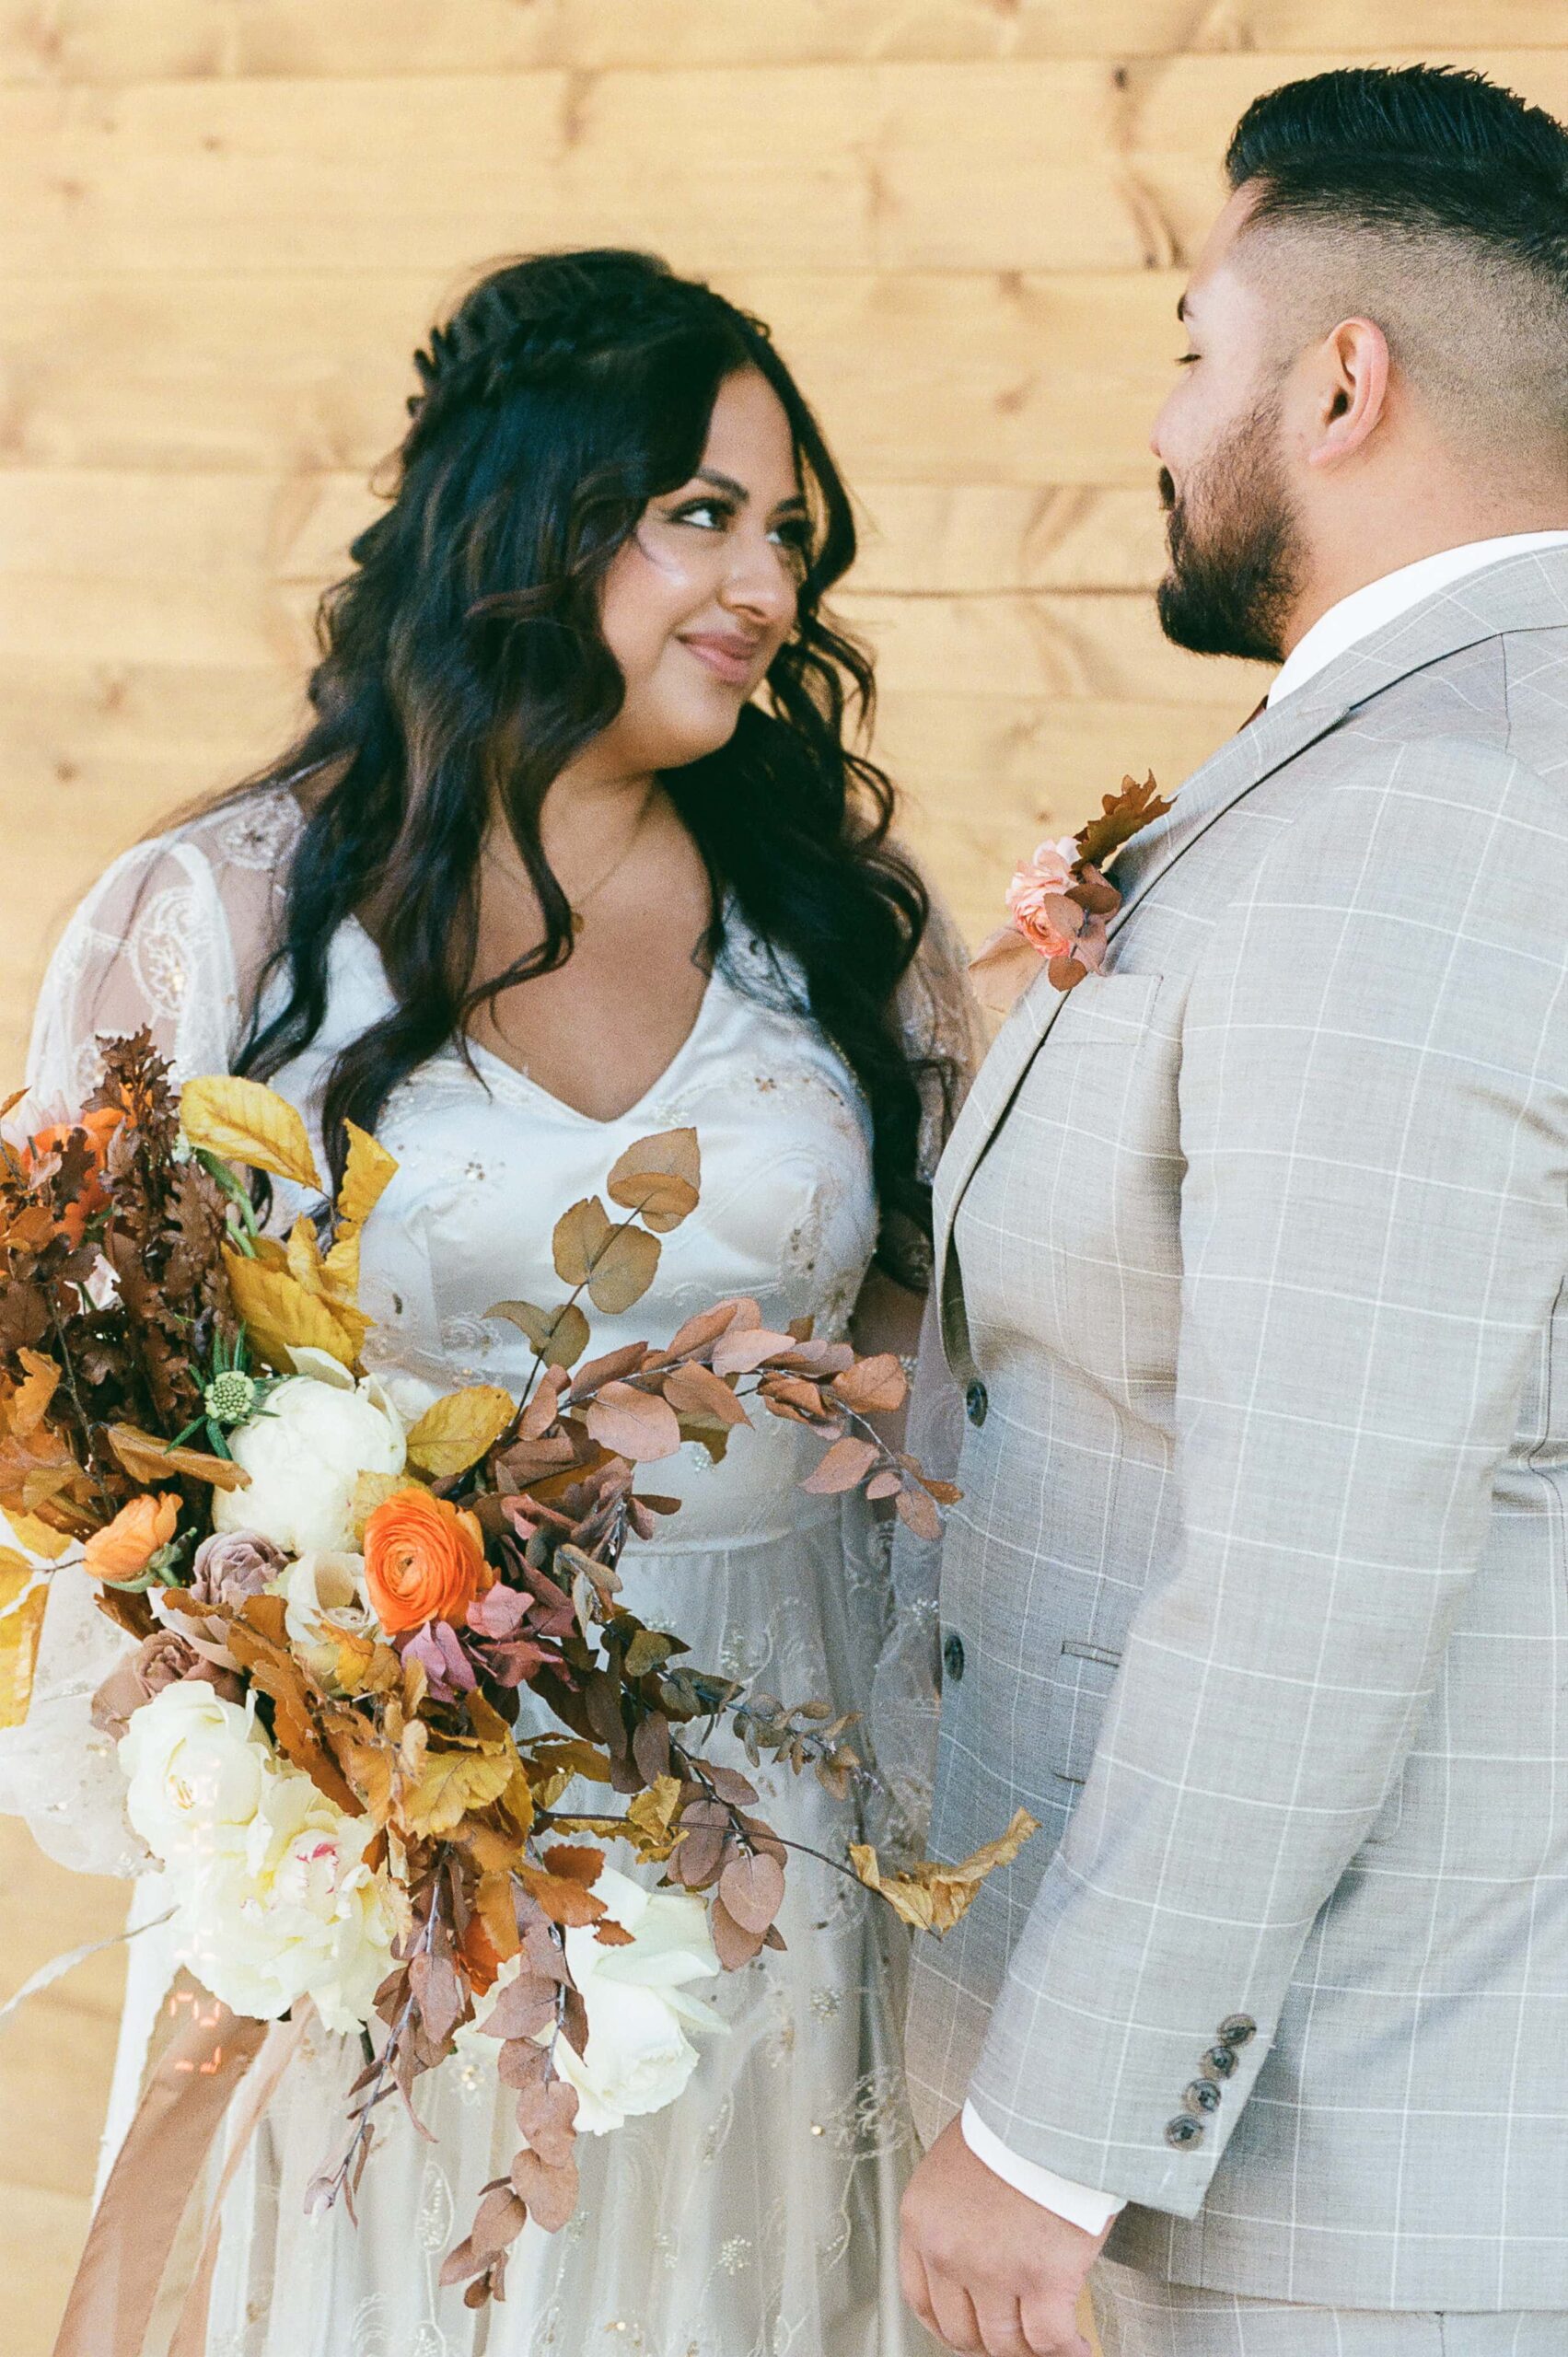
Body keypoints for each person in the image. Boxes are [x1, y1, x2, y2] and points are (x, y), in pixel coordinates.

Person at [3, 249, 981, 2355]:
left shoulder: (842, 935)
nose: (768, 585)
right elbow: (96, 1438)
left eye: (790, 530)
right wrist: (274, 1740)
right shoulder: (232, 920)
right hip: (393, 1823)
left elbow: (942, 1406)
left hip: (775, 1815)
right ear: (528, 523)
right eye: (701, 513)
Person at [899, 63, 1568, 2357]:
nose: (1170, 420)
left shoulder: (1437, 812)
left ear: (1343, 382)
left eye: (1196, 349)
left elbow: (1320, 1552)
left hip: (1324, 2177)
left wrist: (1053, 2125)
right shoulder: (1455, 753)